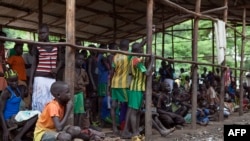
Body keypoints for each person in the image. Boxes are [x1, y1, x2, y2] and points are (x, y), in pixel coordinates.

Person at [29, 24, 64, 112]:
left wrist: (56, 69)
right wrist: (30, 82)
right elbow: (34, 64)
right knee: (39, 102)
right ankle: (39, 123)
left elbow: (61, 60)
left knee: (51, 101)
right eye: (39, 34)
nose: (41, 35)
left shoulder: (56, 45)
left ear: (48, 33)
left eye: (43, 33)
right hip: (39, 77)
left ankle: (48, 123)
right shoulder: (37, 45)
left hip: (51, 78)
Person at [0, 69, 39, 141]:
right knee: (35, 116)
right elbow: (0, 111)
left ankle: (19, 135)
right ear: (7, 81)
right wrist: (5, 130)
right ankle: (18, 137)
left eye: (16, 80)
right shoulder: (6, 92)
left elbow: (26, 93)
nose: (14, 83)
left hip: (17, 116)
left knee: (38, 114)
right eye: (11, 81)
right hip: (9, 119)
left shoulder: (18, 89)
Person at [110, 39, 130, 135]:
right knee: (129, 105)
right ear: (128, 46)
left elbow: (112, 72)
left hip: (114, 83)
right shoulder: (128, 56)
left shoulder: (115, 56)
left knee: (113, 105)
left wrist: (109, 85)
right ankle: (125, 128)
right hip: (123, 84)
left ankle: (114, 127)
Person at [74, 52, 89, 128]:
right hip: (72, 93)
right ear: (74, 59)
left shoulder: (83, 71)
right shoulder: (69, 70)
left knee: (80, 112)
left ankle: (79, 127)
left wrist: (82, 84)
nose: (81, 61)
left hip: (81, 93)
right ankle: (73, 126)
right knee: (74, 112)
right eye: (79, 59)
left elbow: (87, 81)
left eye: (82, 60)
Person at [97, 44, 110, 122]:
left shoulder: (99, 57)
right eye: (105, 48)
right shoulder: (103, 58)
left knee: (100, 97)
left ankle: (100, 113)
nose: (107, 50)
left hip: (100, 78)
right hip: (103, 79)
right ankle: (101, 114)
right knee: (102, 98)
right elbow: (108, 68)